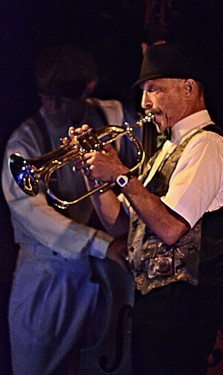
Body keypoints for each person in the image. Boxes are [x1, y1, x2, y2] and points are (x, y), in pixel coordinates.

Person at [70, 41, 223, 375]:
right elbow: (120, 225)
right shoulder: (167, 147)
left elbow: (171, 228)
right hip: (155, 305)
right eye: (144, 92)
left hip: (183, 307)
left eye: (154, 90)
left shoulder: (207, 146)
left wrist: (120, 174)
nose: (145, 103)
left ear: (189, 88)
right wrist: (93, 172)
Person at [1, 43, 140, 375]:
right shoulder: (24, 142)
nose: (52, 106)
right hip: (47, 277)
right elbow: (36, 217)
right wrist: (105, 245)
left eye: (62, 98)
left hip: (104, 276)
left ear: (88, 88)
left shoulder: (112, 115)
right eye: (44, 96)